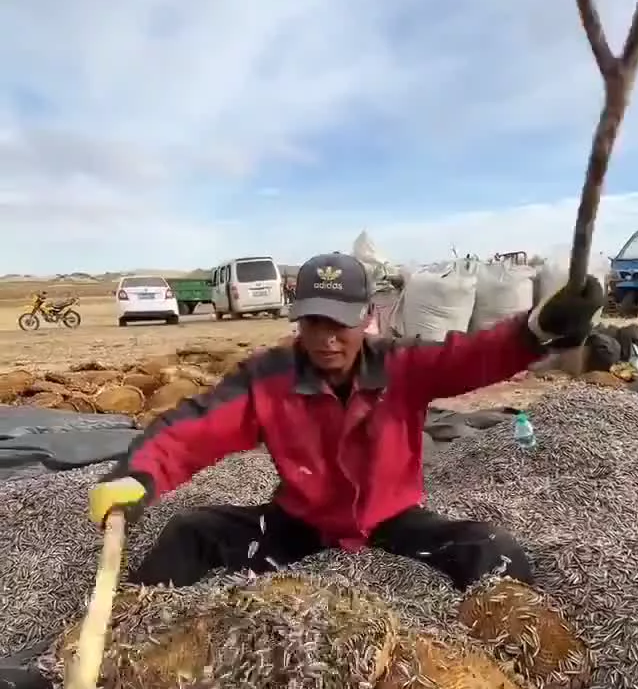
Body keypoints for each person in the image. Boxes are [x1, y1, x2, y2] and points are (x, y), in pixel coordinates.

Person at [89, 253, 604, 591]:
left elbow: (473, 357)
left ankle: (538, 676)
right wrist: (139, 475)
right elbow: (195, 430)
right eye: (314, 321)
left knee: (490, 548)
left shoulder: (403, 366)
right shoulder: (268, 379)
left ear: (367, 319)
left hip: (393, 522)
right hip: (299, 525)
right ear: (299, 320)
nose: (327, 337)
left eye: (341, 322)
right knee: (191, 530)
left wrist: (537, 330)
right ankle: (130, 634)